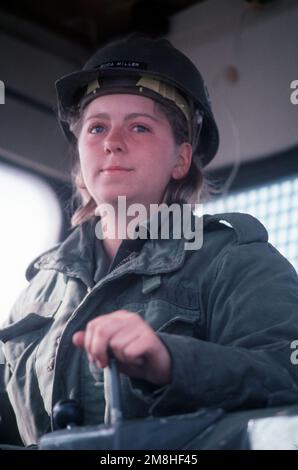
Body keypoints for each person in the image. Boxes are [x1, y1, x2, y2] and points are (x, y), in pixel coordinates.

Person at [1, 35, 298, 448]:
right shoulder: (36, 293)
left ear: (180, 159)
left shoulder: (235, 260)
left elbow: (288, 372)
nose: (112, 141)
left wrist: (169, 361)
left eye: (139, 126)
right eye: (97, 127)